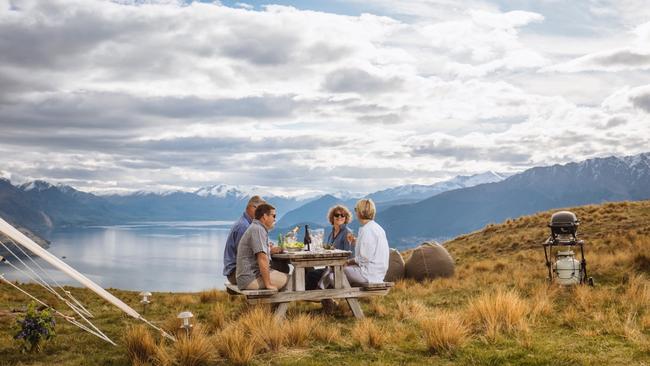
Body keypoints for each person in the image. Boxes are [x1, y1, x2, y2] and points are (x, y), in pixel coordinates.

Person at [236, 203, 288, 290]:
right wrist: (268, 284)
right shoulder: (258, 229)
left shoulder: (256, 228)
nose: (275, 219)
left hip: (249, 276)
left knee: (285, 270)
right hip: (251, 278)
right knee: (295, 280)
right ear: (265, 216)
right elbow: (262, 258)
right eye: (274, 216)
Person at [344, 198, 389, 286]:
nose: (355, 212)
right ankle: (324, 294)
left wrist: (349, 262)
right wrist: (355, 241)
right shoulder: (376, 228)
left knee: (337, 272)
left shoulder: (367, 230)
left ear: (360, 212)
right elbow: (369, 248)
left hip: (369, 274)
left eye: (356, 209)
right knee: (334, 273)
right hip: (377, 273)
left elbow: (364, 258)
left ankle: (321, 293)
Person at [223, 196, 266, 284]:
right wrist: (267, 250)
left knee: (277, 266)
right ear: (251, 207)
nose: (262, 214)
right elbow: (245, 254)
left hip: (237, 271)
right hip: (237, 274)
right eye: (261, 210)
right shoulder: (244, 227)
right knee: (279, 268)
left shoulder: (246, 223)